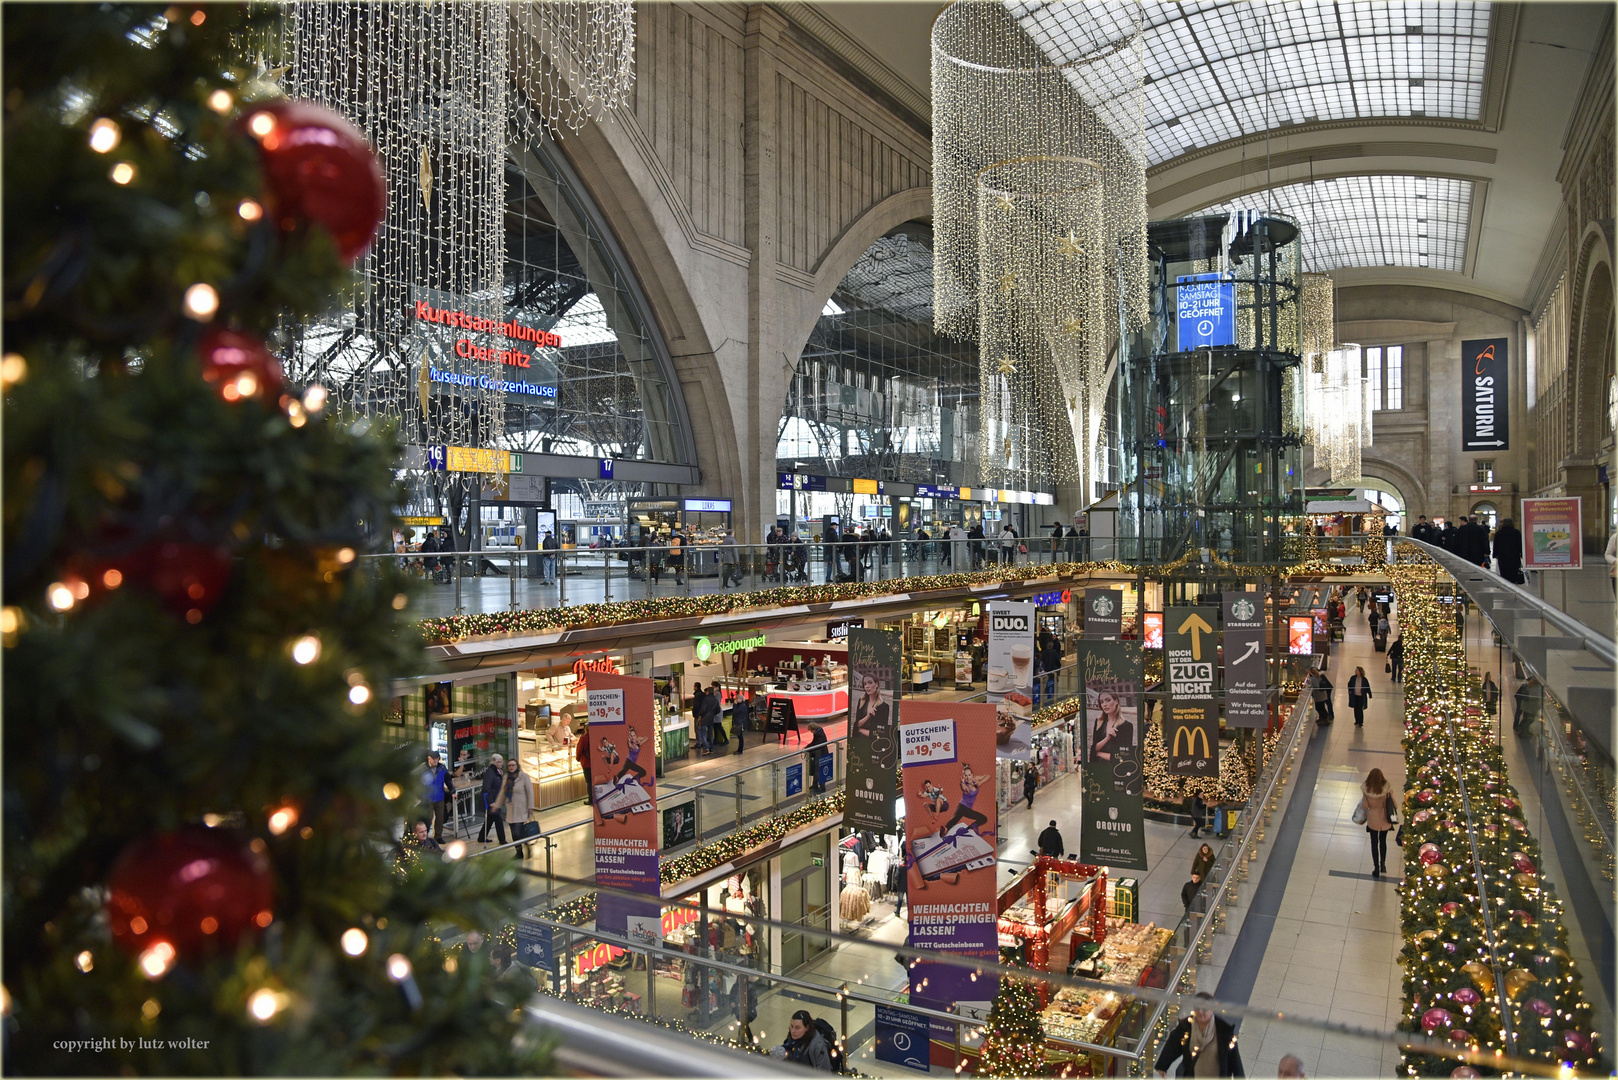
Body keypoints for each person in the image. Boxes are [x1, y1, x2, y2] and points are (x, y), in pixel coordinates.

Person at [1155, 993, 1244, 1078]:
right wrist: (1162, 1066)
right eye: (1197, 1008)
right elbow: (1173, 1045)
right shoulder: (1186, 1026)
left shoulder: (1224, 1031)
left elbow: (1235, 1060)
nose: (1201, 1012)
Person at [1360, 767, 1397, 878]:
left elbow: (1365, 806)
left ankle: (1376, 867)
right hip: (1385, 819)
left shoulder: (1367, 791)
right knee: (1383, 841)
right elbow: (1395, 805)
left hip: (1373, 820)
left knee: (1374, 843)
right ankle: (1383, 864)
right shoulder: (1387, 790)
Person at [502, 757, 536, 860]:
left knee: (518, 831)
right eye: (509, 766)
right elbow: (503, 792)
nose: (511, 767)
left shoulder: (524, 777)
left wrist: (530, 806)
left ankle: (526, 846)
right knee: (513, 832)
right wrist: (498, 804)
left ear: (517, 766)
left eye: (513, 765)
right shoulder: (507, 778)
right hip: (510, 809)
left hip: (521, 808)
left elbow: (530, 792)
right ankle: (519, 851)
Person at [478, 754, 507, 846]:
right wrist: (490, 802)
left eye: (502, 761)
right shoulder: (490, 772)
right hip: (491, 801)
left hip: (496, 799)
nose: (501, 763)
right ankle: (502, 840)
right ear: (493, 762)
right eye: (499, 762)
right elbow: (486, 788)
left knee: (490, 819)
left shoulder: (498, 771)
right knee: (498, 819)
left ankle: (481, 837)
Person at [422, 750, 449, 845]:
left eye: (437, 759)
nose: (435, 761)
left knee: (440, 818)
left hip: (439, 797)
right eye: (433, 759)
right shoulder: (423, 768)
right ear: (429, 758)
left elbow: (448, 779)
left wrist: (452, 791)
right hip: (427, 798)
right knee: (428, 818)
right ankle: (424, 837)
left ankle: (438, 836)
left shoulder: (442, 768)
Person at [1493, 517, 1524, 584]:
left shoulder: (1499, 533)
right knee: (1513, 572)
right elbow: (1520, 544)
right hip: (1514, 556)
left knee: (1504, 572)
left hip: (1502, 556)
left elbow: (1496, 545)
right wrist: (1522, 554)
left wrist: (1495, 554)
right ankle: (1513, 583)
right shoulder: (1516, 532)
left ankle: (1506, 584)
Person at [806, 721, 828, 793]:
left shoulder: (820, 734)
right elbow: (814, 742)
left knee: (819, 770)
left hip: (821, 754)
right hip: (818, 753)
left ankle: (822, 786)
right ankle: (815, 784)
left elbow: (817, 744)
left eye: (811, 731)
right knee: (816, 769)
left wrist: (809, 748)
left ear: (814, 729)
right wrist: (808, 747)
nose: (811, 732)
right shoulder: (818, 733)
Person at [691, 682, 711, 755]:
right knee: (703, 730)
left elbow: (696, 706)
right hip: (703, 715)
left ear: (696, 687)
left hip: (698, 714)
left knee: (697, 729)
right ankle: (702, 743)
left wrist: (696, 714)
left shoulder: (697, 695)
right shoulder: (703, 695)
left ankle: (699, 743)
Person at [732, 691, 750, 755]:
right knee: (739, 736)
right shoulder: (742, 705)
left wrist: (734, 704)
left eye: (737, 699)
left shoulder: (741, 706)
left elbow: (735, 712)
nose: (736, 700)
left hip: (739, 722)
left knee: (740, 737)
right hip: (739, 721)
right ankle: (739, 749)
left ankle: (740, 750)